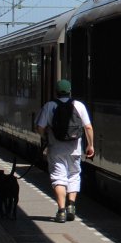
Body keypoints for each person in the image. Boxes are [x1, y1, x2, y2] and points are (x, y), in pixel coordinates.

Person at [35, 79, 94, 223]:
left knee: (58, 177)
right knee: (74, 175)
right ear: (70, 91)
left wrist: (45, 137)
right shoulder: (79, 105)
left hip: (56, 148)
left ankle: (61, 211)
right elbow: (88, 127)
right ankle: (71, 206)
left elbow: (40, 127)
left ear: (56, 92)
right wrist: (90, 145)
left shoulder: (49, 106)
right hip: (75, 149)